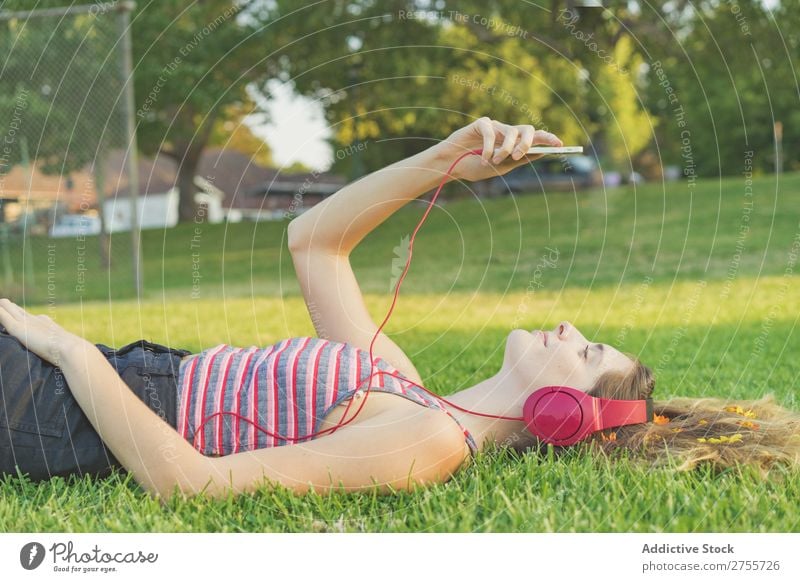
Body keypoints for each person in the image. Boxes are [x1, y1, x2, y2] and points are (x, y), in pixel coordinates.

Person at [1, 118, 797, 501]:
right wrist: (450, 158)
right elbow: (315, 241)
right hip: (106, 382)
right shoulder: (409, 390)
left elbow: (191, 482)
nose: (571, 329)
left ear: (556, 414)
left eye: (586, 353)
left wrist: (71, 352)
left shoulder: (429, 441)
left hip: (67, 413)